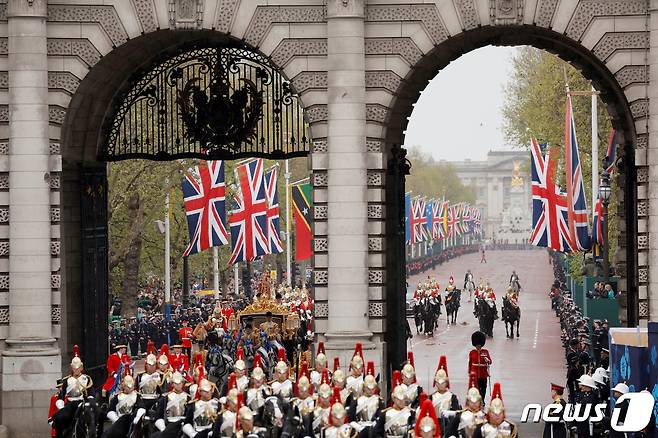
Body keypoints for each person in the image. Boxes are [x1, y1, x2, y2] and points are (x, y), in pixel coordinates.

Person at [50, 346, 93, 438]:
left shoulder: (87, 379)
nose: (76, 370)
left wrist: (89, 403)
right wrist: (62, 408)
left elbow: (91, 394)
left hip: (83, 404)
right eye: (74, 368)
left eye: (78, 368)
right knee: (59, 417)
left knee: (96, 417)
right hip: (70, 404)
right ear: (72, 368)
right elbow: (61, 397)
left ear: (81, 367)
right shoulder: (67, 380)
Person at [374, 370, 415, 437]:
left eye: (403, 399)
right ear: (393, 398)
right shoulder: (385, 414)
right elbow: (377, 433)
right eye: (398, 399)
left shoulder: (411, 413)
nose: (401, 401)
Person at [151, 371, 190, 438]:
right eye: (176, 383)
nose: (178, 385)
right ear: (172, 384)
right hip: (169, 425)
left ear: (183, 383)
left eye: (180, 383)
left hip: (183, 425)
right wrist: (163, 428)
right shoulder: (165, 398)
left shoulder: (188, 398)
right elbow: (158, 416)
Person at [347, 361, 382, 434]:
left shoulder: (379, 400)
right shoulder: (357, 401)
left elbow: (380, 416)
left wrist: (375, 424)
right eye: (368, 388)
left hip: (374, 429)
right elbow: (350, 418)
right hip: (360, 428)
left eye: (373, 389)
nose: (371, 391)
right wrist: (359, 427)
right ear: (364, 387)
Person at [431, 355, 460, 435]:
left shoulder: (452, 397)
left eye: (443, 383)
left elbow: (456, 412)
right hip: (434, 425)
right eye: (438, 383)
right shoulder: (431, 397)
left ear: (446, 382)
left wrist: (449, 413)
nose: (440, 385)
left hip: (448, 424)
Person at [468, 331, 492, 398]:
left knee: (483, 388)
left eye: (479, 345)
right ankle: (478, 400)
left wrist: (488, 360)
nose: (478, 346)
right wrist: (470, 372)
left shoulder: (485, 352)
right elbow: (470, 363)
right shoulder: (472, 352)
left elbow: (490, 362)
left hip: (483, 374)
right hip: (475, 373)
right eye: (477, 345)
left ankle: (483, 400)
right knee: (476, 388)